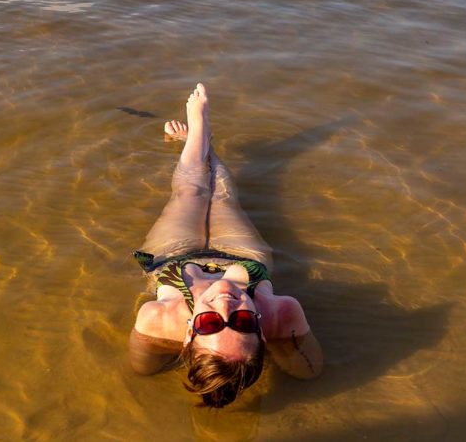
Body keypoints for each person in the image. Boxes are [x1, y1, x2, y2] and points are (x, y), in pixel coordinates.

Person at [130, 83, 323, 407]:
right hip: (242, 257)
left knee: (188, 194)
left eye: (211, 324)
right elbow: (310, 373)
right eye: (243, 322)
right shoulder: (281, 314)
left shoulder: (157, 320)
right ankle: (206, 144)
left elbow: (141, 369)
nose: (225, 305)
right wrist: (284, 337)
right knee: (222, 198)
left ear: (190, 333)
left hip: (172, 258)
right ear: (260, 334)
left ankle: (197, 137)